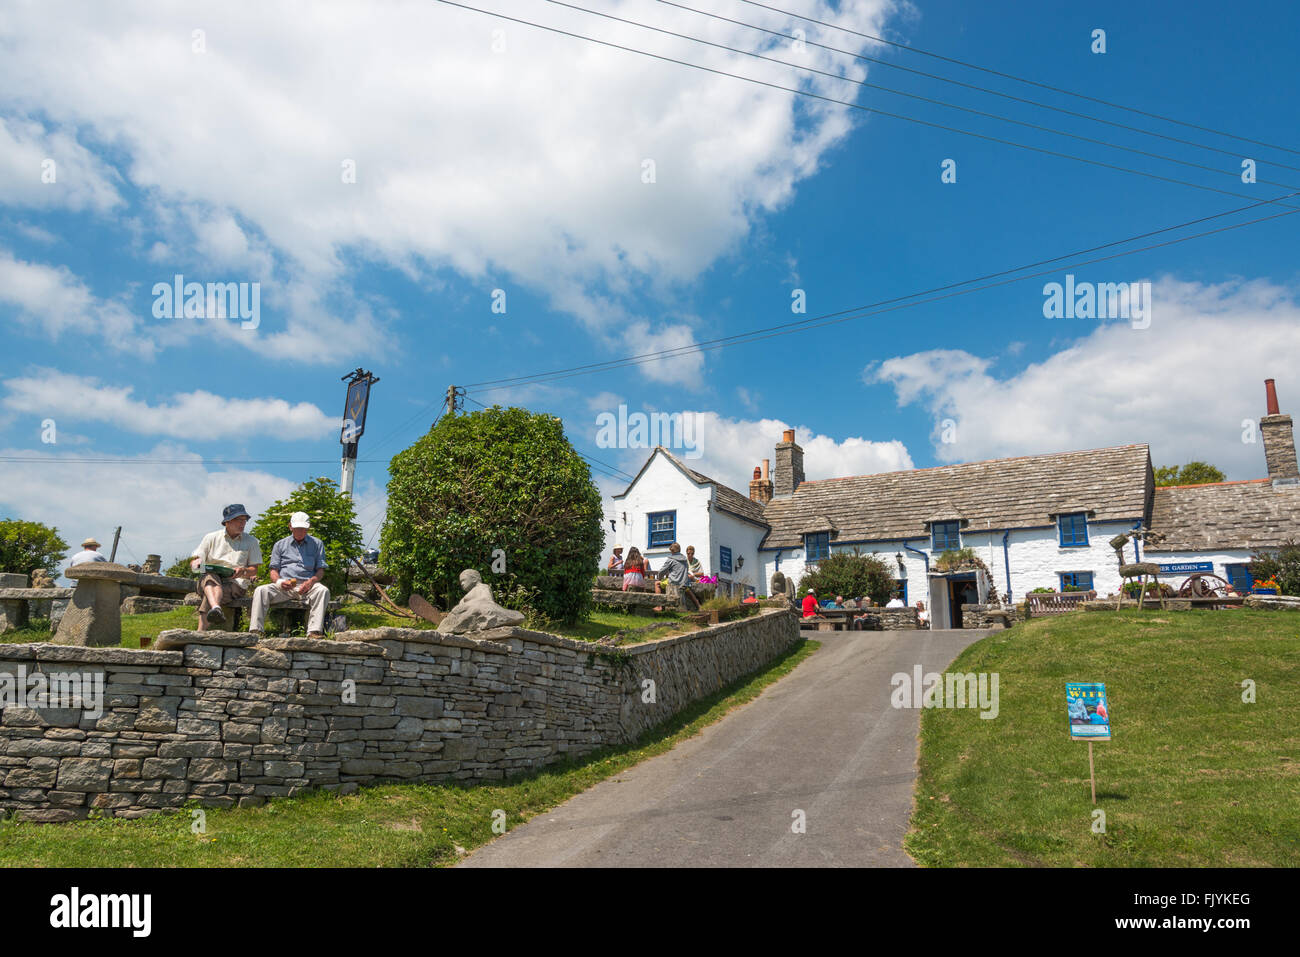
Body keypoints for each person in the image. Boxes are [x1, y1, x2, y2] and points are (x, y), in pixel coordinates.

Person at [250, 511, 330, 638]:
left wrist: (311, 582)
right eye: (297, 528)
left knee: (323, 590)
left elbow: (320, 570)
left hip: (307, 586)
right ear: (290, 527)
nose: (300, 531)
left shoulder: (317, 544)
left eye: (303, 529)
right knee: (260, 590)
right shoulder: (280, 544)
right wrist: (280, 582)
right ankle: (256, 631)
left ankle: (314, 631)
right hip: (284, 586)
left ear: (308, 528)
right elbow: (273, 571)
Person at [191, 504, 262, 630]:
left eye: (244, 520)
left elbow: (254, 570)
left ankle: (201, 630)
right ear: (227, 522)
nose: (243, 523)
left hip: (235, 583)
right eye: (239, 520)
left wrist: (243, 571)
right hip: (209, 578)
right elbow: (198, 558)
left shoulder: (252, 541)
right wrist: (197, 563)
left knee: (210, 593)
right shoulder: (211, 537)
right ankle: (216, 609)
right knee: (210, 577)